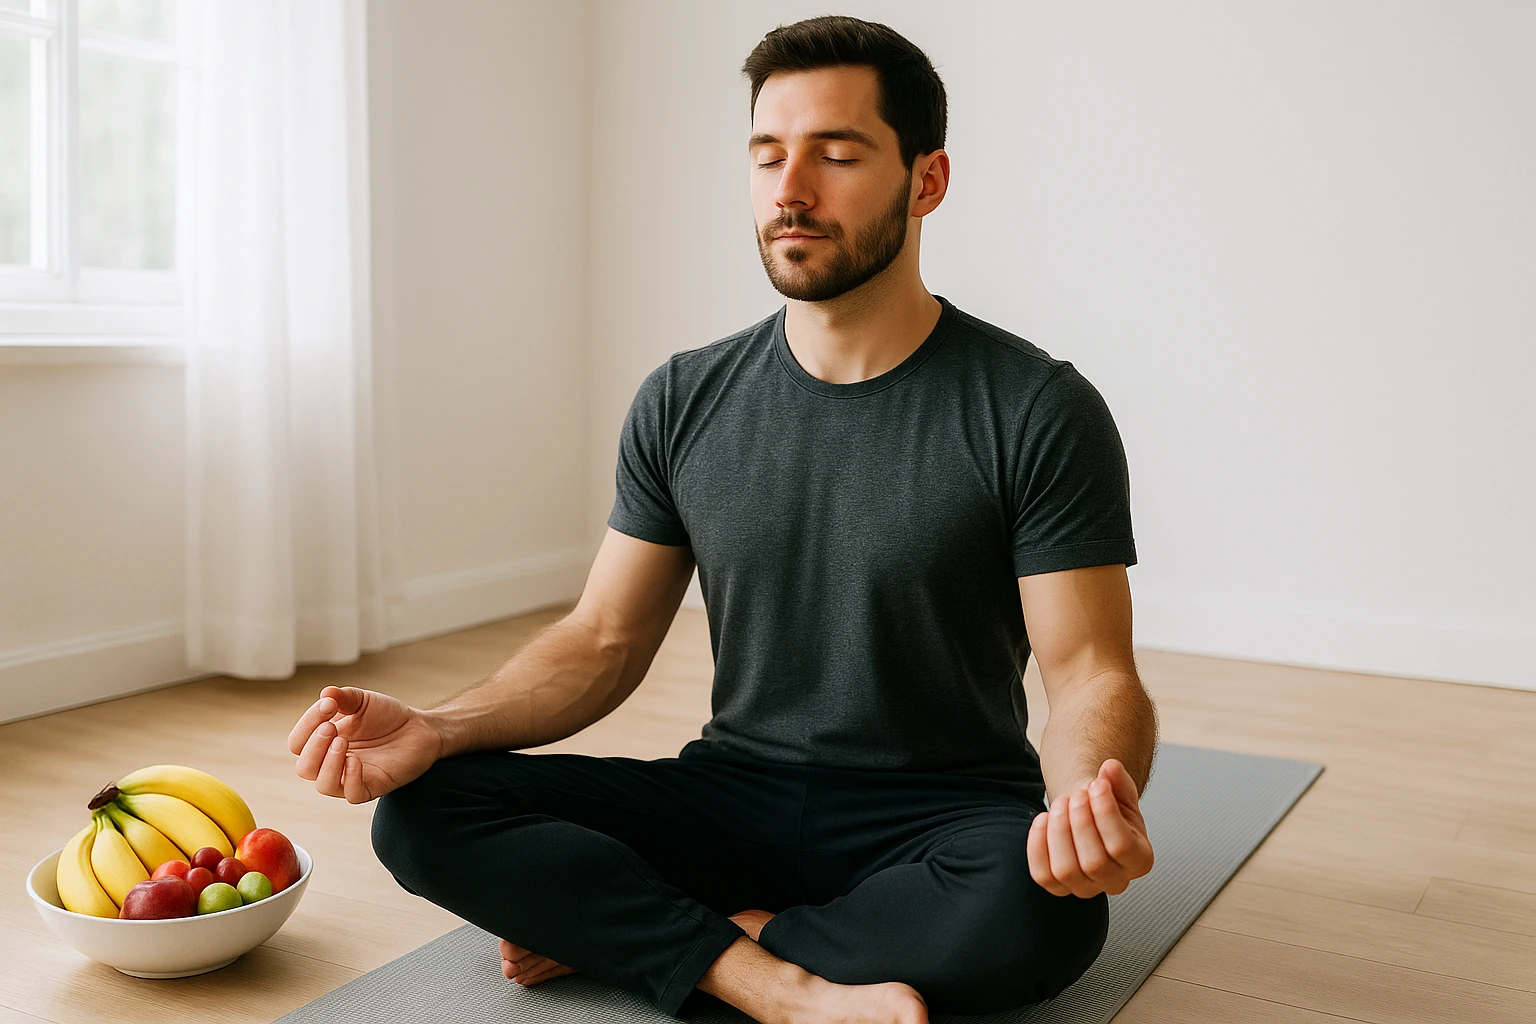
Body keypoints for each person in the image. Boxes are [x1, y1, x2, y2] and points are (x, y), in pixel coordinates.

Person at [288, 14, 1158, 1024]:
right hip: (733, 793)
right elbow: (602, 639)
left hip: (938, 811)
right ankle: (771, 979)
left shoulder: (1035, 407)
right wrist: (436, 728)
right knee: (424, 813)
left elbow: (1090, 668)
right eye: (766, 156)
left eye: (836, 155)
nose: (791, 190)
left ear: (926, 181)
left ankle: (672, 936)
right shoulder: (683, 398)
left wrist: (1087, 804)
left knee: (1042, 910)